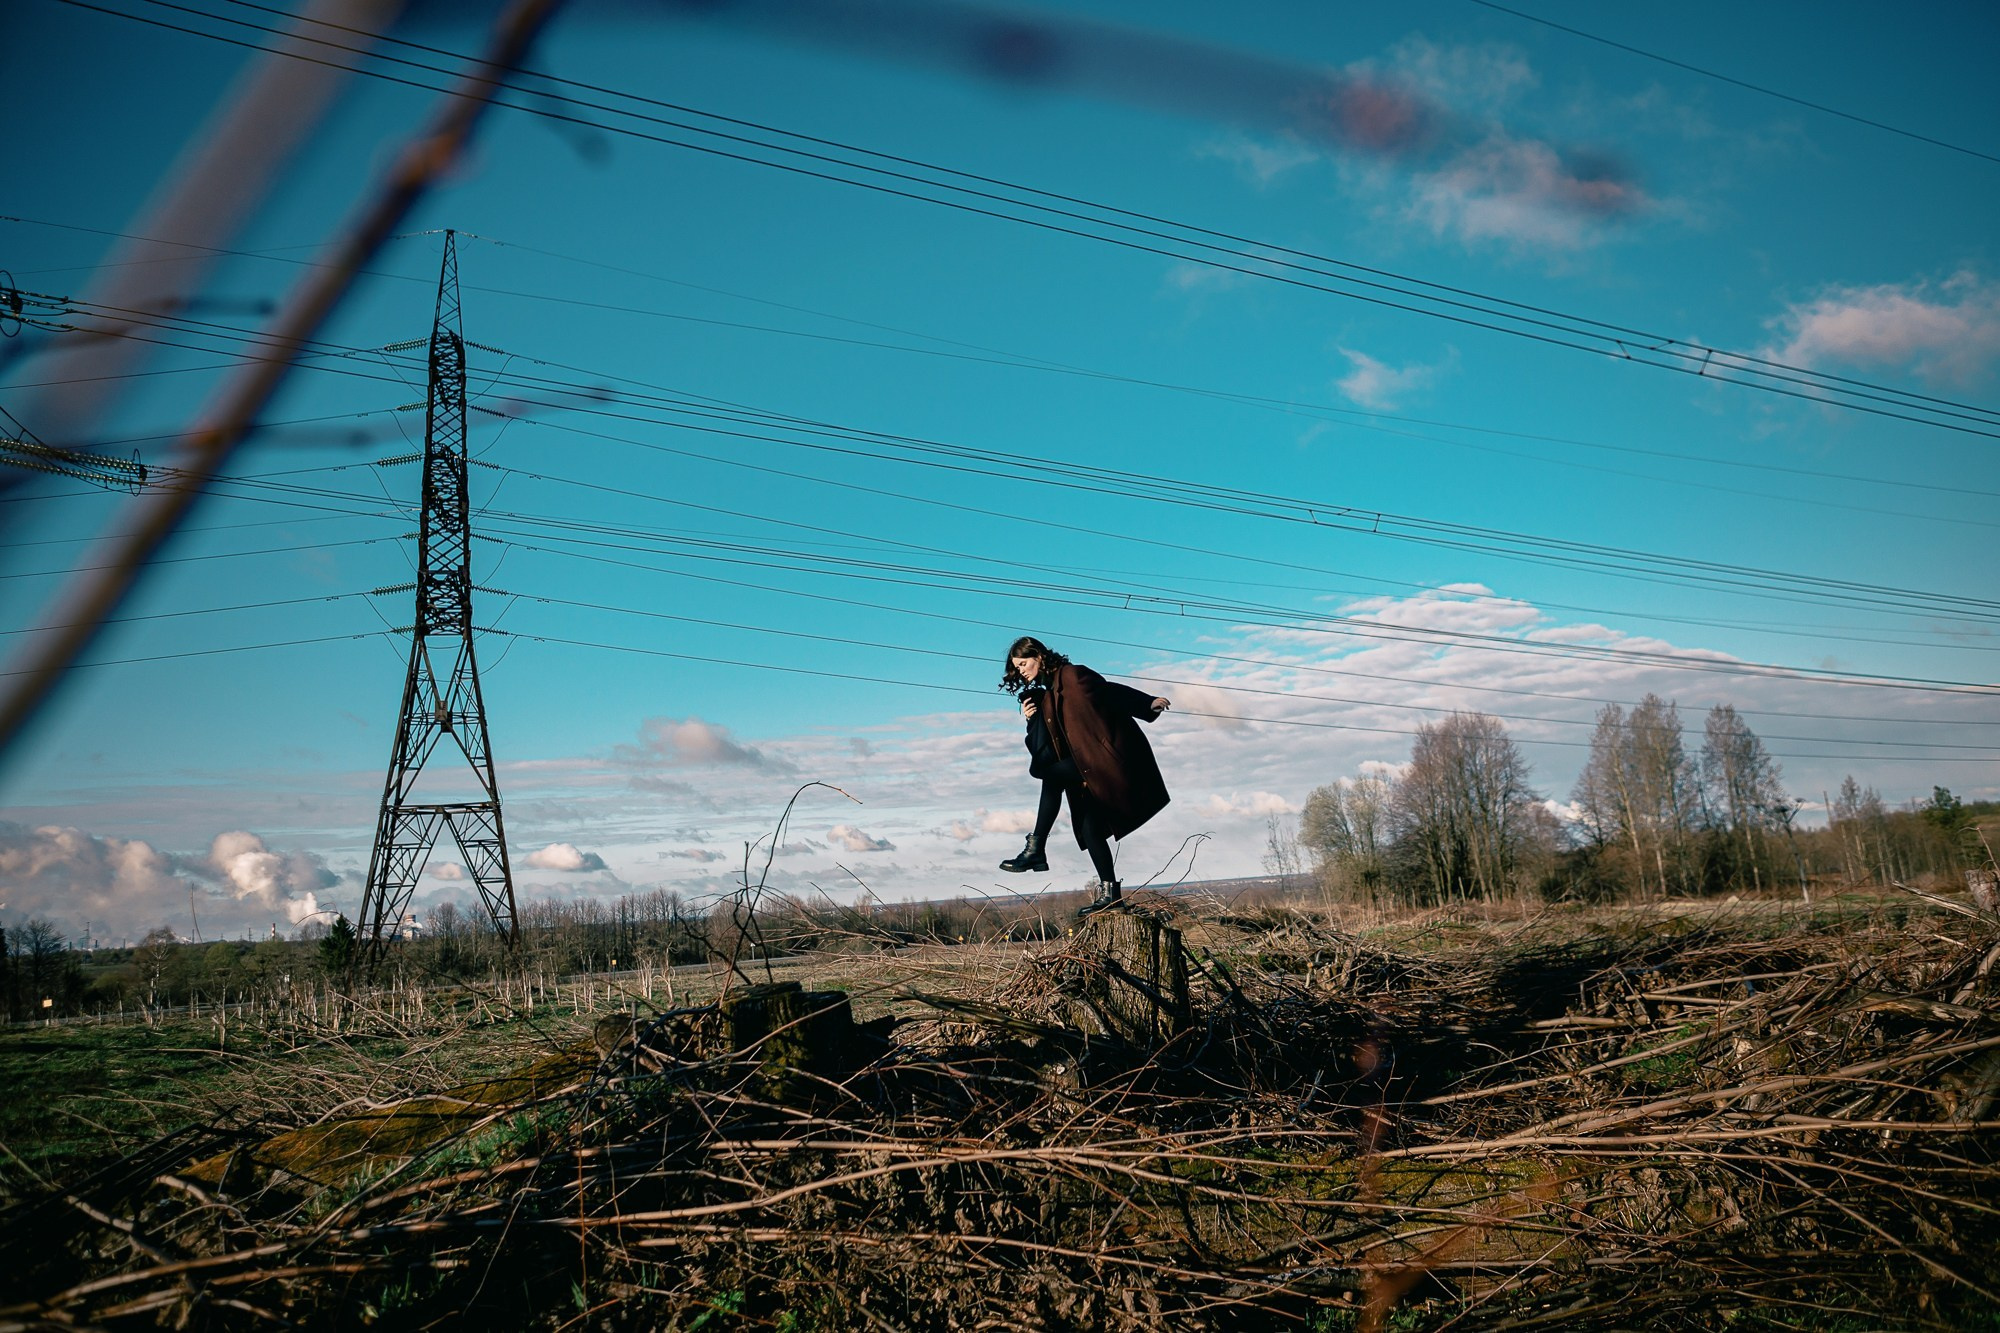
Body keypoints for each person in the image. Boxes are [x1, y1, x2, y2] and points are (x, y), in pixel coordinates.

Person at [996, 636, 1171, 916]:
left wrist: (1147, 703)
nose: (1021, 671)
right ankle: (1111, 896)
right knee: (1090, 828)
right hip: (1085, 766)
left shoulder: (1073, 676)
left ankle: (1036, 847)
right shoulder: (1048, 695)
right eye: (1017, 668)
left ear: (1039, 656)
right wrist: (1031, 721)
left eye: (1024, 663)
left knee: (1052, 778)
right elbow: (1043, 752)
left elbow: (1110, 692)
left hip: (1106, 761)